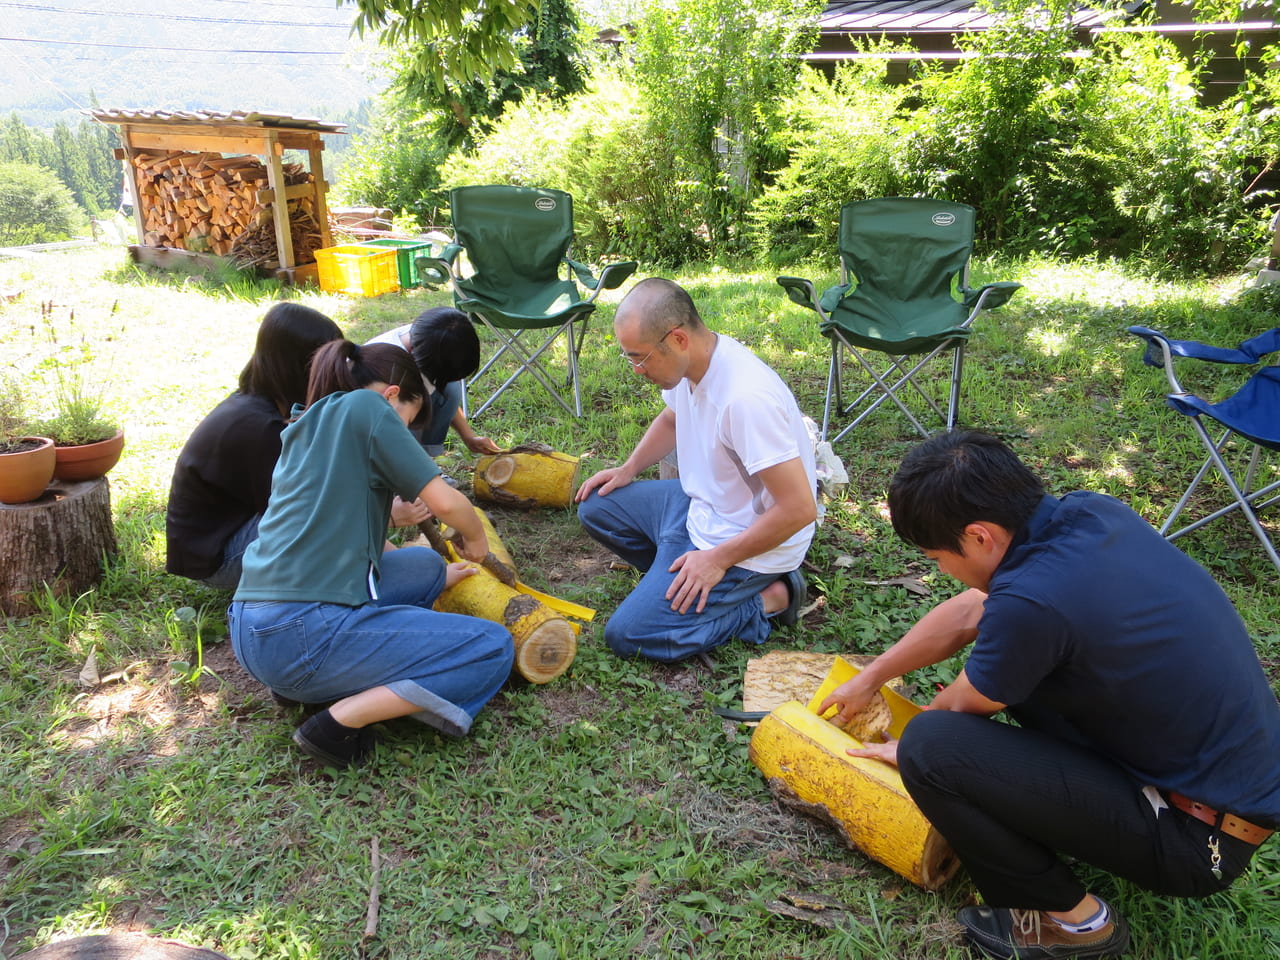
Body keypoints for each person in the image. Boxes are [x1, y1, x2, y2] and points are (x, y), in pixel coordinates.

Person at [819, 430, 1280, 960]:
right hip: (1215, 792)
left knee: (932, 747)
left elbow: (959, 708)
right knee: (1009, 683)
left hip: (1198, 842)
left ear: (978, 537)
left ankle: (1077, 926)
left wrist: (906, 745)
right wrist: (870, 676)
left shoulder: (1033, 604)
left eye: (937, 556)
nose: (941, 570)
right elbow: (975, 609)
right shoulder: (1091, 513)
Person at [228, 340, 514, 769]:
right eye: (409, 423)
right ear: (393, 396)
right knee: (491, 646)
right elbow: (451, 505)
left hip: (252, 628)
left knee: (424, 565)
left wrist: (426, 558)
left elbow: (339, 530)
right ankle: (336, 723)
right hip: (301, 633)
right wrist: (476, 539)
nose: (405, 434)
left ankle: (305, 684)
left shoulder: (306, 422)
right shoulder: (371, 409)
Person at [575, 277, 818, 663]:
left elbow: (800, 509)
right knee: (596, 506)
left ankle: (768, 597)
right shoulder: (693, 363)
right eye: (629, 357)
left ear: (678, 339)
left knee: (629, 635)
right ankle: (675, 575)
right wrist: (628, 469)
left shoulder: (745, 398)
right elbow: (671, 420)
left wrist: (717, 559)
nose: (636, 369)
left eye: (639, 356)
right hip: (698, 506)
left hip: (743, 540)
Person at [166, 303, 343, 590]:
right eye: (326, 362)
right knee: (325, 531)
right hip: (219, 559)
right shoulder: (260, 427)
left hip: (229, 532)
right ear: (300, 364)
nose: (332, 372)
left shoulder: (259, 404)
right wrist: (381, 517)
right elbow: (302, 511)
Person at [365, 307, 500, 457]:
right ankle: (418, 468)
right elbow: (395, 433)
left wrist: (469, 438)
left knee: (450, 388)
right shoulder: (391, 370)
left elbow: (444, 390)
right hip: (372, 433)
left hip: (400, 404)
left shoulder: (428, 339)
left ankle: (426, 459)